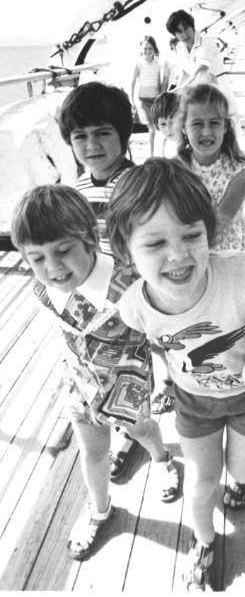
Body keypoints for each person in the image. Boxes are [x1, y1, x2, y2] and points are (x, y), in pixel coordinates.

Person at [106, 157, 245, 590]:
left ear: (209, 232)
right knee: (202, 481)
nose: (178, 255)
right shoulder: (133, 307)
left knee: (243, 470)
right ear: (126, 250)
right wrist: (156, 379)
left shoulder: (244, 273)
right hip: (194, 404)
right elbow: (150, 344)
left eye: (191, 235)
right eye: (155, 243)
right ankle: (203, 541)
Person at [10, 185, 180, 561]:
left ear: (89, 239)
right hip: (80, 384)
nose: (52, 268)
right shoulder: (42, 288)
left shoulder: (130, 281)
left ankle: (162, 458)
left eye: (63, 250)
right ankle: (101, 510)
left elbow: (162, 325)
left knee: (142, 429)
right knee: (92, 451)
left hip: (128, 382)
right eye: (36, 258)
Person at [57, 81, 139, 480]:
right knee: (99, 366)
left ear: (123, 135)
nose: (92, 144)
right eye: (80, 136)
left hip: (136, 293)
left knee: (134, 367)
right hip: (92, 298)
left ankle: (130, 432)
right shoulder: (74, 190)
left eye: (103, 132)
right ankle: (108, 419)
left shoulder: (142, 183)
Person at [177, 83, 245, 253]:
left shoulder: (239, 171)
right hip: (189, 248)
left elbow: (221, 223)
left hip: (227, 252)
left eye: (214, 123)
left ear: (225, 126)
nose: (206, 132)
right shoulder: (177, 168)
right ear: (184, 128)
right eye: (197, 124)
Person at [165, 9, 238, 120]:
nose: (184, 34)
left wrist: (181, 89)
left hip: (218, 90)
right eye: (179, 32)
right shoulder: (180, 48)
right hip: (200, 97)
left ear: (192, 26)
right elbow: (184, 74)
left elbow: (201, 71)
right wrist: (174, 94)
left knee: (225, 126)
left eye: (186, 29)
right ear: (175, 35)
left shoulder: (206, 42)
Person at [130, 36, 162, 156]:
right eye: (145, 48)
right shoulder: (138, 65)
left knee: (157, 128)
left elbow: (158, 83)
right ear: (141, 50)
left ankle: (157, 152)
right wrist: (131, 100)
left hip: (155, 100)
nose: (147, 51)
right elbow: (132, 83)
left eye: (150, 48)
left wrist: (160, 98)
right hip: (143, 100)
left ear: (154, 50)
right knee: (152, 128)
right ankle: (152, 154)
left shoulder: (158, 65)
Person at [150, 91, 180, 159]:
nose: (168, 128)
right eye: (163, 124)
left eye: (173, 121)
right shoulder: (162, 145)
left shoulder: (193, 146)